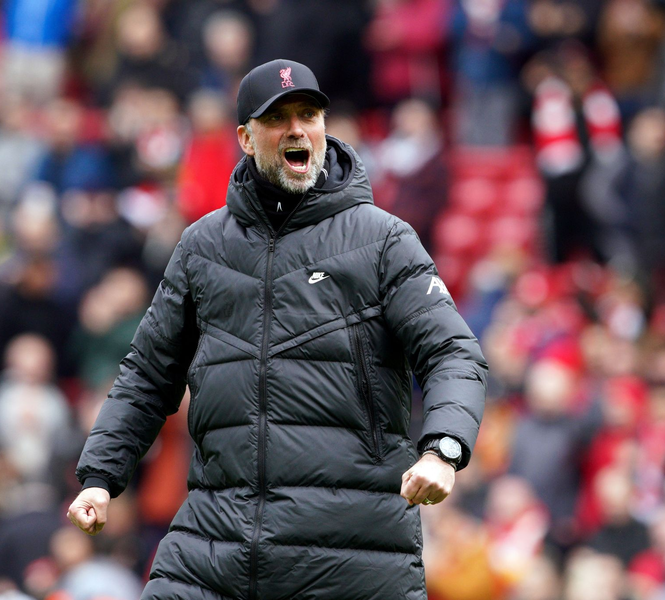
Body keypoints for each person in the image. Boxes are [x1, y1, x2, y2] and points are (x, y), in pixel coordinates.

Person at [66, 59, 488, 600]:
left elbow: (452, 352)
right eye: (278, 118)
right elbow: (147, 375)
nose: (297, 129)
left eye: (309, 114)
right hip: (215, 544)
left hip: (352, 554)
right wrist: (100, 476)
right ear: (245, 137)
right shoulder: (202, 247)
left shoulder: (385, 240)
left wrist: (443, 449)